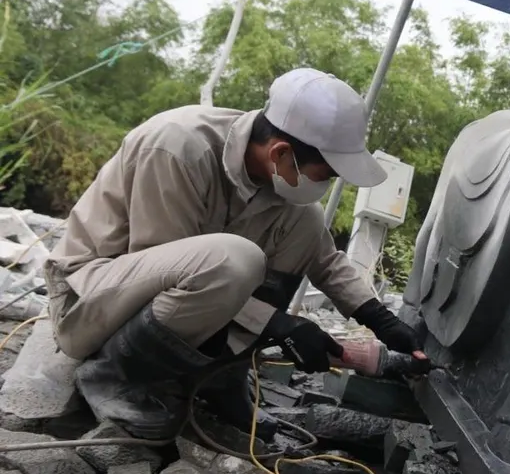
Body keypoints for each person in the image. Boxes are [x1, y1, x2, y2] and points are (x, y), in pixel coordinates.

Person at [42, 67, 427, 440]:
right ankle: (114, 376)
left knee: (305, 222)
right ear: (280, 153)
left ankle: (221, 380)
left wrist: (379, 318)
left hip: (162, 299)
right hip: (90, 298)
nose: (326, 184)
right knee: (233, 260)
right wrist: (278, 324)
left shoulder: (272, 181)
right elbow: (164, 265)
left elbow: (324, 259)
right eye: (324, 173)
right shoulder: (177, 147)